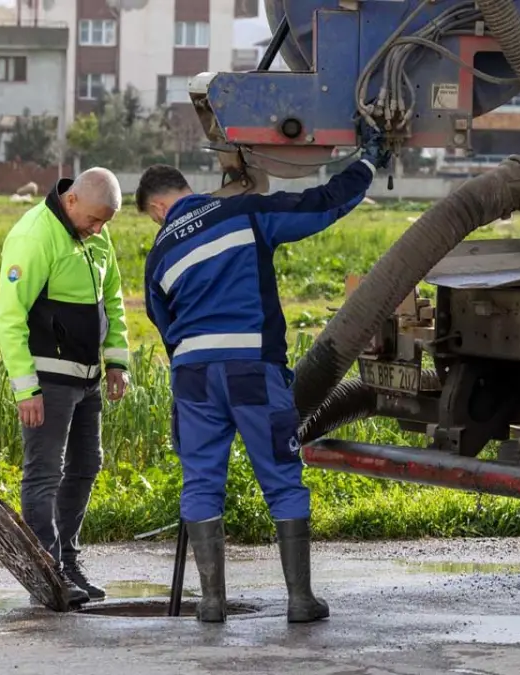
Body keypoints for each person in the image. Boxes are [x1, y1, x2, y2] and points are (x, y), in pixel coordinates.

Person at [135, 122, 391, 623]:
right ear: (183, 190)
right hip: (251, 369)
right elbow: (320, 206)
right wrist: (365, 164)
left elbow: (163, 325)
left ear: (158, 209)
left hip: (192, 376)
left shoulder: (159, 253)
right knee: (280, 475)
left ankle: (211, 604)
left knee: (202, 481)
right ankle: (299, 600)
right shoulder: (241, 214)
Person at [0, 167, 132, 606]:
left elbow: (112, 298)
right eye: (94, 220)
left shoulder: (95, 232)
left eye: (106, 222)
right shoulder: (34, 235)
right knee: (44, 474)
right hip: (48, 379)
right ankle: (47, 576)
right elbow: (8, 317)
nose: (99, 230)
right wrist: (24, 389)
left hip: (89, 376)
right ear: (71, 201)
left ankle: (67, 563)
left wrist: (116, 360)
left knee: (87, 465)